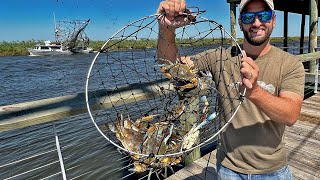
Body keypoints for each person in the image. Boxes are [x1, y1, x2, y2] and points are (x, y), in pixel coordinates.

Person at [156, 0, 305, 179]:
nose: (256, 23)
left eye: (263, 15)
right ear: (240, 23)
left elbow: (291, 115)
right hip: (228, 169)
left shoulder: (290, 63)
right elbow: (172, 69)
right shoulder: (219, 57)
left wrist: (254, 92)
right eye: (248, 17)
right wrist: (166, 29)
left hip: (273, 170)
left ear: (273, 20)